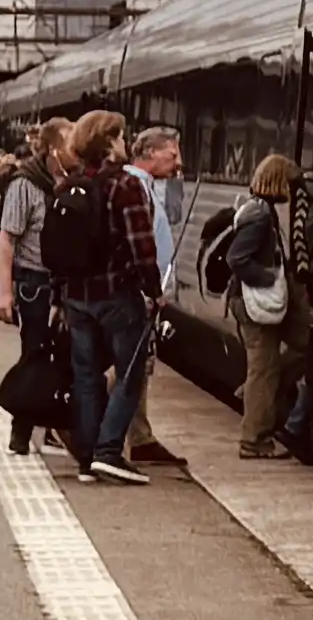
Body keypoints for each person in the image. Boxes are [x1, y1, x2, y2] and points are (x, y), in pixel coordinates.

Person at [40, 114, 159, 487]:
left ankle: (87, 458)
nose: (126, 142)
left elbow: (58, 250)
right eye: (122, 136)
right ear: (109, 142)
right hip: (117, 296)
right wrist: (154, 292)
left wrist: (59, 296)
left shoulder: (69, 185)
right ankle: (109, 452)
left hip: (77, 297)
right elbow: (142, 246)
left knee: (87, 378)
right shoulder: (124, 185)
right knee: (129, 373)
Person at [212, 150, 297, 457]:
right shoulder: (260, 216)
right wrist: (268, 278)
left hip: (244, 301)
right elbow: (237, 258)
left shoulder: (258, 209)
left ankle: (252, 397)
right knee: (263, 370)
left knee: (266, 367)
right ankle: (255, 440)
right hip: (251, 302)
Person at [127, 127, 200, 467]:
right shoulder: (135, 187)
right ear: (152, 153)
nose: (178, 163)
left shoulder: (147, 186)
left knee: (140, 366)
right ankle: (77, 421)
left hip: (144, 291)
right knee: (128, 366)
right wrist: (152, 290)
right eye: (172, 156)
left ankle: (140, 436)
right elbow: (140, 245)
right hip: (139, 293)